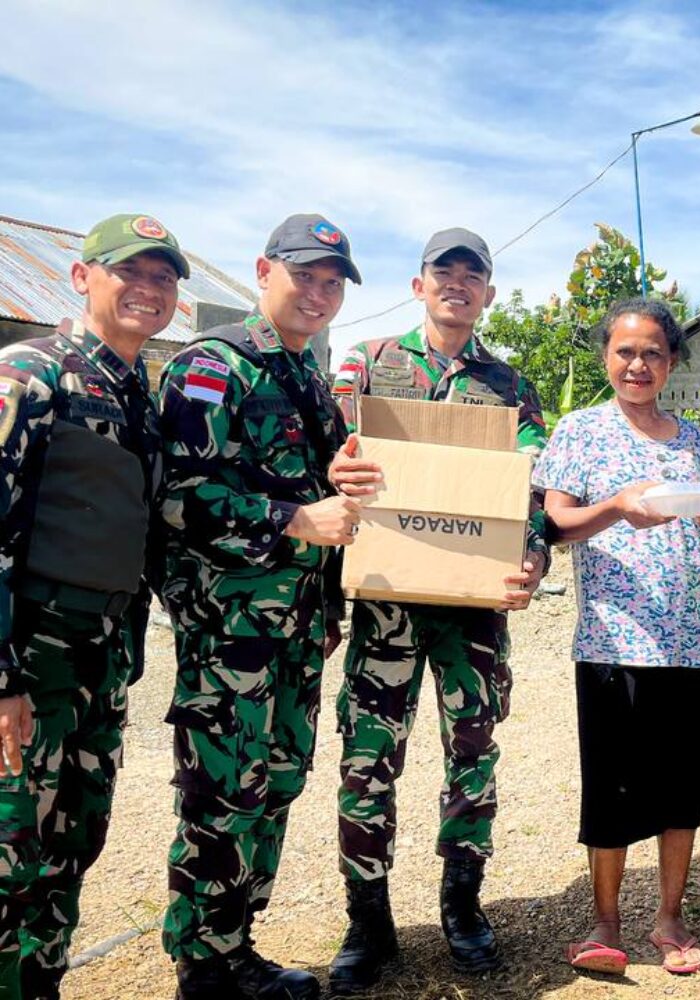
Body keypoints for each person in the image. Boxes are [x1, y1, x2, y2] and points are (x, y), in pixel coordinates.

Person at [325, 228, 547, 988]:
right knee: (366, 762)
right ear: (418, 285)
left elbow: (536, 492)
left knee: (473, 758)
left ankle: (463, 904)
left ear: (488, 293)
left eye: (472, 275)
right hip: (386, 605)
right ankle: (369, 917)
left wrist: (534, 555)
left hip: (473, 612)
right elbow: (323, 457)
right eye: (442, 272)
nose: (457, 284)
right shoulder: (368, 365)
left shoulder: (511, 387)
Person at [156, 214, 363, 1000]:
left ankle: (235, 947)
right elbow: (179, 498)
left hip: (297, 628)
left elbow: (328, 494)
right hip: (231, 631)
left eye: (332, 282)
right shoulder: (216, 366)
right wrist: (293, 520)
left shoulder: (309, 377)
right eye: (305, 275)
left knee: (273, 784)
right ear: (264, 271)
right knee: (220, 795)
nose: (318, 293)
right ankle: (202, 969)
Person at [0, 215, 187, 999]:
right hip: (31, 655)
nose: (149, 289)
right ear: (83, 278)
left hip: (98, 656)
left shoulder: (137, 394)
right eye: (129, 272)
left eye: (164, 277)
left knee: (73, 839)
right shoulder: (30, 374)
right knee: (12, 847)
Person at [536, 298, 700, 979]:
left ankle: (670, 915)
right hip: (614, 639)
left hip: (694, 639)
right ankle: (604, 921)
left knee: (682, 787)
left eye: (652, 352)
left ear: (671, 361)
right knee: (615, 787)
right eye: (625, 351)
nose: (637, 364)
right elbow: (556, 526)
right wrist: (615, 508)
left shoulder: (694, 439)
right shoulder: (578, 431)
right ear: (607, 357)